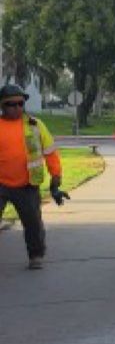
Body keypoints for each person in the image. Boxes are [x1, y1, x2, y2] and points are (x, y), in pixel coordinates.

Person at [0, 84, 69, 269]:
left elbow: (51, 153)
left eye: (20, 103)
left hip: (27, 184)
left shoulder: (35, 125)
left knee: (32, 223)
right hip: (1, 184)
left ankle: (36, 255)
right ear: (2, 106)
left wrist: (55, 183)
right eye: (11, 104)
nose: (16, 108)